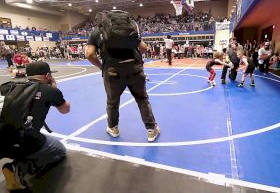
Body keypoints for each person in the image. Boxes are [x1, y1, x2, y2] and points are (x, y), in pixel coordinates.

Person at [85, 11, 160, 142]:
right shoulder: (130, 29)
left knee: (112, 102)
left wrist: (101, 66)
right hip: (135, 69)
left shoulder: (97, 32)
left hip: (112, 71)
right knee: (142, 99)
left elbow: (89, 54)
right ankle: (152, 130)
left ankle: (113, 128)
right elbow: (144, 48)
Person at [0, 61, 70, 191]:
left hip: (2, 138)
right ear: (47, 75)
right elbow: (65, 109)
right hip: (21, 140)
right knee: (60, 150)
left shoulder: (8, 86)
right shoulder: (49, 90)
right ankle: (19, 168)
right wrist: (54, 90)